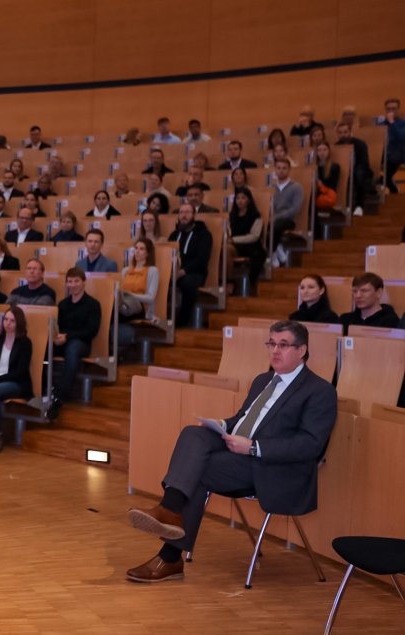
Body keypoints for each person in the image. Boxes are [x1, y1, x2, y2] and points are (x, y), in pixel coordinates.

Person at [125, 320, 336, 583]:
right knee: (193, 433)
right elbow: (243, 418)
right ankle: (169, 513)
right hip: (239, 451)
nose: (275, 351)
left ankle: (170, 550)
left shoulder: (320, 391)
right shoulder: (262, 380)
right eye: (271, 344)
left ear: (302, 350)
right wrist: (222, 425)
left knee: (200, 469)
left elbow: (310, 444)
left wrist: (254, 447)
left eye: (283, 345)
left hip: (273, 467)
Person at [0, 305, 33, 453]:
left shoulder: (25, 343)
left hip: (16, 383)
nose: (8, 323)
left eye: (12, 321)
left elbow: (20, 372)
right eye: (6, 320)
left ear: (19, 323)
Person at [54, 267, 101, 402]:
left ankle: (61, 395)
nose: (73, 285)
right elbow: (59, 327)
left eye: (76, 281)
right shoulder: (62, 304)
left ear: (84, 282)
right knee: (43, 347)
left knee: (73, 349)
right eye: (70, 282)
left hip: (81, 343)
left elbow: (91, 331)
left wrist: (67, 336)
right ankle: (44, 389)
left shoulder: (93, 304)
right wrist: (57, 338)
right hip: (63, 341)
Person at [169, 204, 211, 326]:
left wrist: (182, 271)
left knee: (188, 283)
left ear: (194, 215)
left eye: (187, 212)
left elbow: (201, 259)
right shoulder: (174, 235)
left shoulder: (204, 235)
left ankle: (182, 321)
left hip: (194, 272)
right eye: (181, 212)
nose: (184, 215)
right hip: (174, 272)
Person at [117, 239, 160, 355]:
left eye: (141, 249)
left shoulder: (152, 270)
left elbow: (151, 298)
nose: (137, 251)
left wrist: (130, 294)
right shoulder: (126, 270)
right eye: (136, 248)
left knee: (116, 313)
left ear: (148, 253)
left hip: (140, 307)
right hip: (124, 303)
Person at [269, 159, 304, 268]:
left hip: (288, 220)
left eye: (284, 168)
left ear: (289, 170)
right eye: (278, 168)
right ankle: (277, 246)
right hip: (273, 219)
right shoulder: (271, 188)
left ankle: (273, 252)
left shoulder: (297, 187)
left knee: (276, 225)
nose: (281, 171)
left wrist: (276, 217)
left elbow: (295, 209)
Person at [228, 187, 266, 286]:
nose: (240, 201)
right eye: (238, 198)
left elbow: (254, 236)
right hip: (233, 245)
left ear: (249, 200)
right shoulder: (231, 216)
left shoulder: (256, 216)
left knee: (227, 250)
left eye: (243, 198)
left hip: (250, 246)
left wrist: (233, 240)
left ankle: (229, 282)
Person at [335, 121, 374, 216]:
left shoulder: (360, 144)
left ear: (350, 132)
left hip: (359, 169)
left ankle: (359, 205)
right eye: (340, 133)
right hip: (344, 171)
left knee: (359, 174)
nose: (343, 135)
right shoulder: (336, 146)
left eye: (345, 132)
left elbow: (364, 163)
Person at [378, 97, 405, 193]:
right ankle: (390, 186)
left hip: (399, 153)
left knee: (394, 158)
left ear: (398, 110)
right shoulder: (381, 125)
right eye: (388, 109)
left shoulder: (403, 124)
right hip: (384, 152)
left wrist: (392, 123)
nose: (391, 111)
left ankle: (381, 181)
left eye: (393, 109)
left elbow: (402, 138)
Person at [314, 141, 341, 213]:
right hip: (315, 191)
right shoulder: (313, 167)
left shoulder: (334, 167)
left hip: (326, 194)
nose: (322, 152)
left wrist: (320, 184)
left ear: (329, 151)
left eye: (324, 150)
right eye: (319, 150)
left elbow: (332, 185)